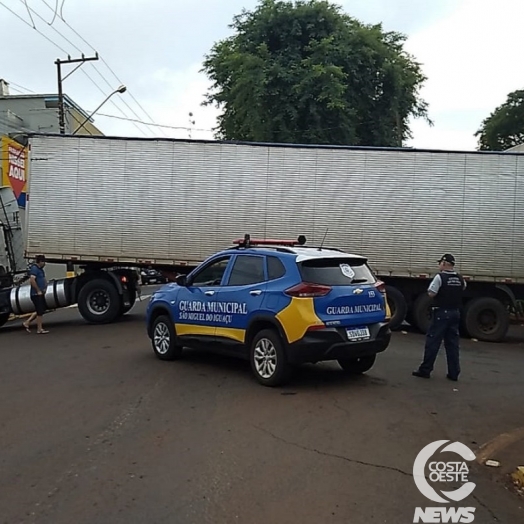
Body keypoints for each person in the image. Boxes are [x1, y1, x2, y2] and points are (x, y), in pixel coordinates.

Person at [412, 254, 466, 381]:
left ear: (444, 263)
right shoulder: (460, 278)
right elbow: (463, 288)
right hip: (455, 313)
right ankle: (454, 373)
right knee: (452, 344)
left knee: (433, 342)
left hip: (442, 313)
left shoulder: (439, 277)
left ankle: (425, 370)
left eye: (440, 262)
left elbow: (431, 293)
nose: (439, 265)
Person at [22, 255, 49, 334]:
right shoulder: (34, 269)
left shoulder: (40, 270)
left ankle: (27, 322)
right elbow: (32, 280)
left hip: (40, 293)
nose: (45, 264)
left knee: (41, 309)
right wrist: (38, 291)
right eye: (44, 262)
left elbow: (43, 279)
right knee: (39, 311)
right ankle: (39, 329)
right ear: (40, 261)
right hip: (36, 294)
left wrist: (44, 288)